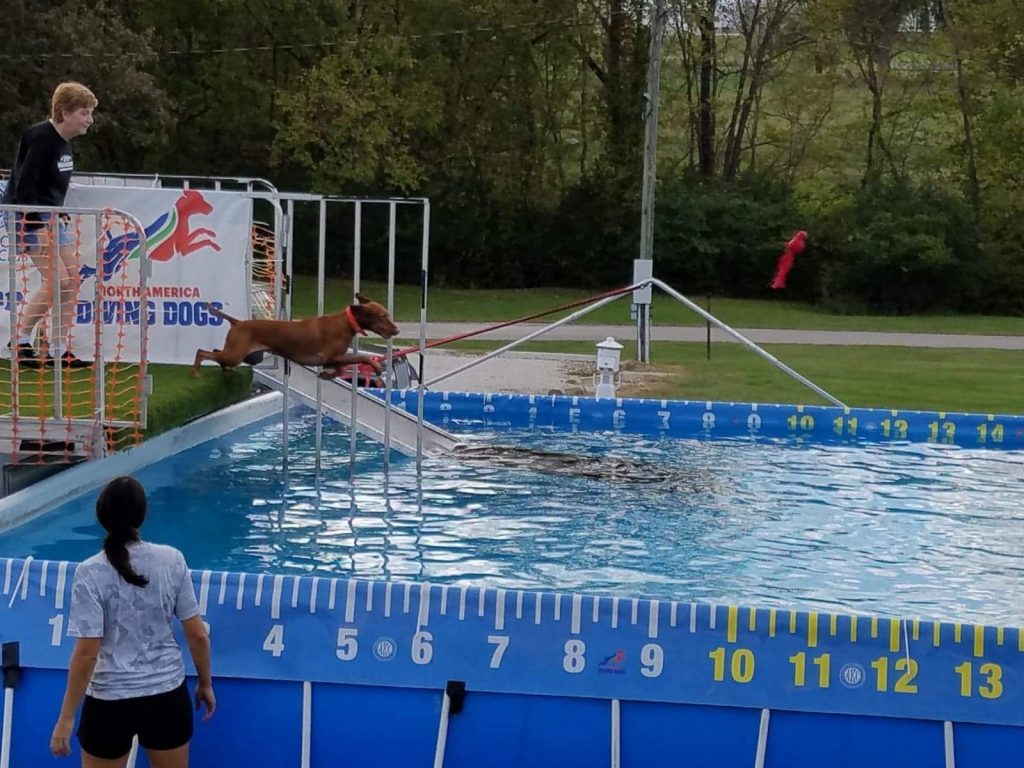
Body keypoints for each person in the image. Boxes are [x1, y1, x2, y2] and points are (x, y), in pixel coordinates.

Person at [49, 476, 215, 767]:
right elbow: (198, 635)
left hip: (108, 702)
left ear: (101, 515)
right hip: (166, 695)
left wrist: (66, 717)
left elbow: (87, 653)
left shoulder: (90, 572)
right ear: (142, 514)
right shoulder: (172, 560)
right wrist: (205, 683)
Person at [2, 81, 98, 369]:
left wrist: (58, 213)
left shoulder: (63, 142)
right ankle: (20, 340)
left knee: (72, 280)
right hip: (28, 216)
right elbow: (25, 186)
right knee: (58, 280)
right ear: (64, 112)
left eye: (90, 113)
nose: (89, 120)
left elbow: (51, 183)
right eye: (84, 113)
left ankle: (58, 348)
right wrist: (35, 226)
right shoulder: (40, 137)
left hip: (51, 215)